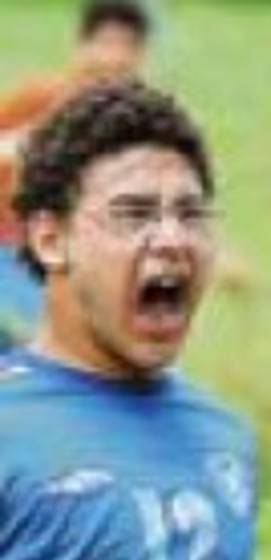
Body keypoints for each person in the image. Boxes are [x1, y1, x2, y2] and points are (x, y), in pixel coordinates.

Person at [0, 81, 256, 560]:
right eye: (133, 214)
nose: (172, 239)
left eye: (191, 215)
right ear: (50, 239)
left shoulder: (225, 437)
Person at [0, 0, 151, 348]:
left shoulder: (138, 125)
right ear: (82, 47)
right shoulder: (42, 99)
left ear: (141, 57)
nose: (113, 58)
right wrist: (20, 146)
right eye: (105, 43)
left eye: (126, 46)